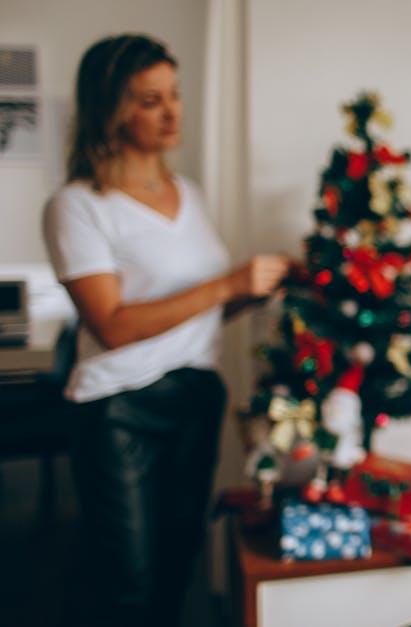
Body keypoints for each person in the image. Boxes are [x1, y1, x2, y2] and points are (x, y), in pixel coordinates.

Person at [41, 34, 289, 626]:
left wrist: (254, 291)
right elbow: (113, 325)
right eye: (151, 100)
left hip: (194, 400)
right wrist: (229, 284)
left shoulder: (189, 195)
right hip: (120, 409)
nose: (173, 111)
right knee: (128, 583)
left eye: (174, 95)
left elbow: (192, 311)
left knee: (178, 566)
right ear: (110, 108)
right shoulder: (78, 206)